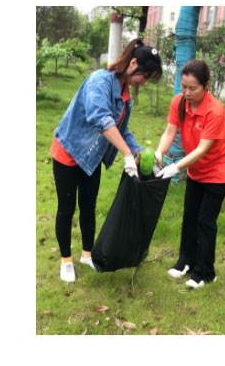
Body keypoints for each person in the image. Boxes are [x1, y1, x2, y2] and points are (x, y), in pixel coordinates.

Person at [51, 41, 163, 283]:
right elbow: (100, 119)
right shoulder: (99, 81)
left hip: (91, 157)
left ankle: (87, 254)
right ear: (133, 64)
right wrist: (125, 154)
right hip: (69, 152)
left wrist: (140, 153)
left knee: (89, 206)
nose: (144, 82)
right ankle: (66, 260)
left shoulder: (125, 95)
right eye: (146, 75)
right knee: (67, 208)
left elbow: (122, 130)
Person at [153, 59, 225, 289]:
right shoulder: (179, 102)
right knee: (189, 216)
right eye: (184, 86)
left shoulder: (215, 111)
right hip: (197, 171)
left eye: (193, 88)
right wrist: (160, 153)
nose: (186, 92)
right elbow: (170, 131)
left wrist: (175, 167)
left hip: (218, 171)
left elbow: (203, 149)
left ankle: (206, 272)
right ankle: (185, 261)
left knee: (205, 221)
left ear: (206, 85)